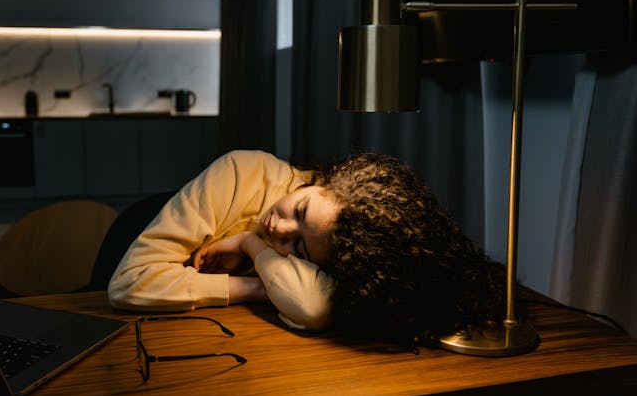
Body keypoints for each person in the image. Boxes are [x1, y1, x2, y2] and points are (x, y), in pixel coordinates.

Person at [108, 149, 505, 345]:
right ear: (325, 180)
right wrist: (267, 289)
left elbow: (313, 308)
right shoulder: (240, 171)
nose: (279, 229)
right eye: (299, 209)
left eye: (298, 248)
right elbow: (129, 283)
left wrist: (252, 249)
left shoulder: (340, 248)